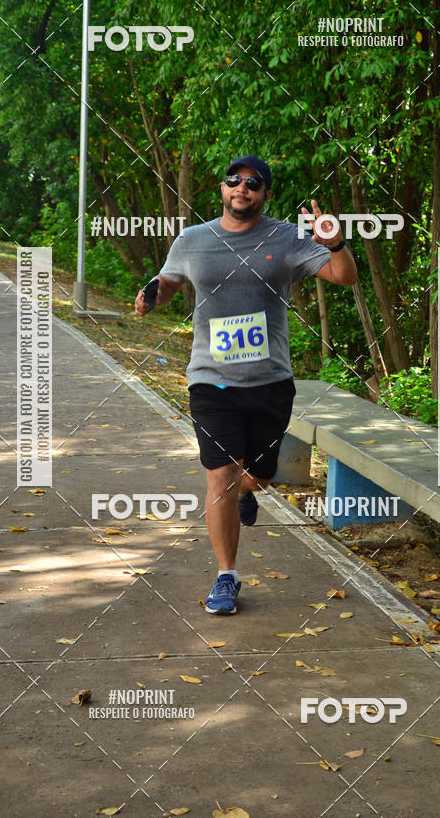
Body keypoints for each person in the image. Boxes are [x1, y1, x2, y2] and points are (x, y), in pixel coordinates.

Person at [135, 155, 357, 615]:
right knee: (220, 475)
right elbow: (170, 282)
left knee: (257, 477)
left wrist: (336, 244)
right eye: (234, 180)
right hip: (211, 381)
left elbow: (343, 276)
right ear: (222, 188)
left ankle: (246, 491)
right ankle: (226, 576)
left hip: (270, 382)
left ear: (265, 194)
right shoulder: (193, 240)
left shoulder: (287, 238)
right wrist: (151, 296)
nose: (242, 188)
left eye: (253, 183)